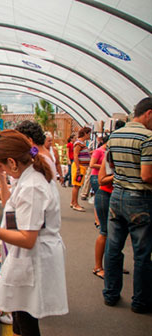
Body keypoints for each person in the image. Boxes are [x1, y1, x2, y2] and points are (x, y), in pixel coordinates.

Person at [0, 130, 68, 335]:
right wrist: (1, 176)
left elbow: (28, 239)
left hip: (32, 257)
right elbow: (9, 203)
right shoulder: (27, 176)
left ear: (12, 162)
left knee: (27, 320)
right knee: (21, 316)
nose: (1, 169)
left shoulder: (33, 187)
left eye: (1, 165)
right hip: (24, 256)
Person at [103, 97, 152, 314]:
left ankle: (111, 294)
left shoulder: (115, 135)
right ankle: (140, 301)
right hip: (140, 198)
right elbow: (147, 175)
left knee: (114, 247)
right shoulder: (148, 138)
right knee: (142, 253)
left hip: (117, 195)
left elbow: (111, 165)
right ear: (149, 114)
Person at [93, 150, 113, 280]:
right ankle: (98, 267)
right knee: (105, 231)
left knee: (116, 234)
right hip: (105, 194)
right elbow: (101, 180)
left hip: (113, 196)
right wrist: (120, 175)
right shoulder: (109, 154)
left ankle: (113, 264)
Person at [88, 135, 109, 228]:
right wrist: (105, 167)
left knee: (102, 198)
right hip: (96, 177)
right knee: (99, 198)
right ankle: (98, 221)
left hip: (105, 177)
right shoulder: (99, 151)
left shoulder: (108, 152)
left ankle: (101, 220)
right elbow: (92, 164)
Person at [70, 127, 91, 211]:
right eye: (89, 133)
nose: (89, 135)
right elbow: (75, 155)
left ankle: (73, 202)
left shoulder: (82, 143)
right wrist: (78, 168)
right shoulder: (78, 143)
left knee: (77, 185)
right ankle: (75, 203)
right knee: (77, 185)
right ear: (85, 133)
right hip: (79, 167)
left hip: (82, 167)